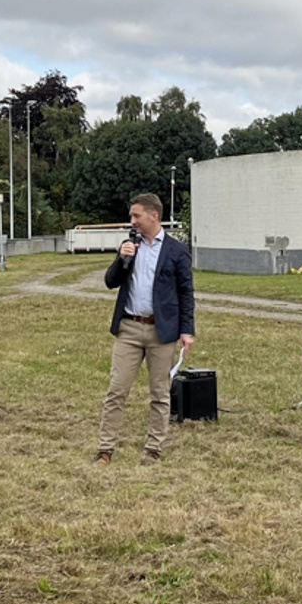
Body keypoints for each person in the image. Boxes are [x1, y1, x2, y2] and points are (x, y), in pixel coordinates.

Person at [95, 193, 195, 466]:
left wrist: (187, 330)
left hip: (161, 332)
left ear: (154, 215)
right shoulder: (130, 246)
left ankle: (153, 450)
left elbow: (186, 293)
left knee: (159, 394)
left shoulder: (176, 251)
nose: (133, 221)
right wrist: (121, 258)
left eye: (136, 215)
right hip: (129, 328)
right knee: (116, 390)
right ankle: (105, 450)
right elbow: (110, 282)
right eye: (131, 216)